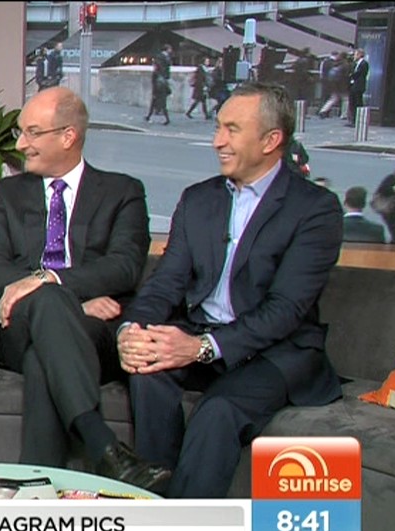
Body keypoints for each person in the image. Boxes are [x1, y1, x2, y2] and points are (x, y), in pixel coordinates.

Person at [118, 82, 344, 498]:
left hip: (277, 351)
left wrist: (202, 347)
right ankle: (154, 505)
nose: (217, 141)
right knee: (147, 372)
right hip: (203, 333)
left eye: (232, 129)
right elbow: (166, 282)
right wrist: (132, 330)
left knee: (218, 411)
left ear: (271, 141)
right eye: (218, 127)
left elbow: (286, 308)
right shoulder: (198, 199)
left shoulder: (315, 209)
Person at [0, 86, 170, 490]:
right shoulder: (6, 194)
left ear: (68, 136)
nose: (20, 144)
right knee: (48, 306)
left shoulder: (123, 192)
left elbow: (124, 266)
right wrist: (68, 301)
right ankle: (103, 446)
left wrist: (52, 282)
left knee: (42, 358)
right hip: (13, 326)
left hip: (92, 332)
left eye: (32, 132)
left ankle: (36, 492)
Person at [146, 44, 173, 125]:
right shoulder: (163, 57)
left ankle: (149, 116)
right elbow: (161, 69)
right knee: (162, 100)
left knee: (155, 100)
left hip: (160, 82)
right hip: (161, 82)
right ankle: (166, 119)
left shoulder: (163, 57)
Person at [346, 49, 369, 127]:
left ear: (360, 55)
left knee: (357, 103)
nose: (354, 56)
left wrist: (351, 75)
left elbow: (358, 74)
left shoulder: (364, 63)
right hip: (353, 85)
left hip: (358, 86)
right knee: (352, 103)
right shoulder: (355, 64)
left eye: (355, 55)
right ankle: (352, 120)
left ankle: (357, 121)